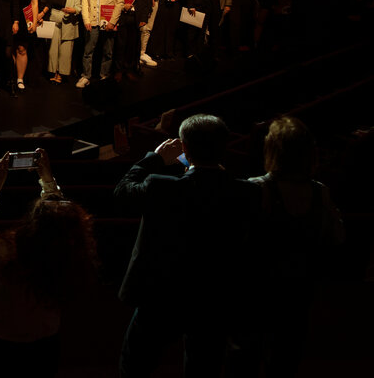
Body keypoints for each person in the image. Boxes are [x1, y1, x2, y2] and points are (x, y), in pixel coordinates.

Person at [114, 114, 262, 377]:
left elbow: (122, 191)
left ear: (184, 147)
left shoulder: (161, 186)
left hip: (160, 295)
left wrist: (155, 158)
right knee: (203, 368)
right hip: (214, 297)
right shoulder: (247, 192)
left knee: (135, 365)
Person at [0, 149, 97, 377]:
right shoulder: (71, 252)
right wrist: (48, 180)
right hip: (43, 340)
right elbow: (61, 220)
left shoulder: (7, 255)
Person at [231, 116, 345, 376]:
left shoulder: (256, 188)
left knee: (244, 358)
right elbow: (337, 236)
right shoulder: (320, 192)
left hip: (255, 288)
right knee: (285, 357)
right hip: (297, 289)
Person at [78, 0, 122, 88]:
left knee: (108, 51)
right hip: (92, 22)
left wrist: (112, 22)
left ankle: (104, 75)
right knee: (88, 51)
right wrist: (86, 20)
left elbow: (119, 3)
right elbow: (85, 3)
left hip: (108, 22)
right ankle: (86, 76)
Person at [46, 0, 81, 83]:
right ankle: (53, 71)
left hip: (69, 20)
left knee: (66, 50)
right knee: (53, 49)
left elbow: (79, 6)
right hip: (54, 19)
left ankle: (62, 73)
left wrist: (74, 10)